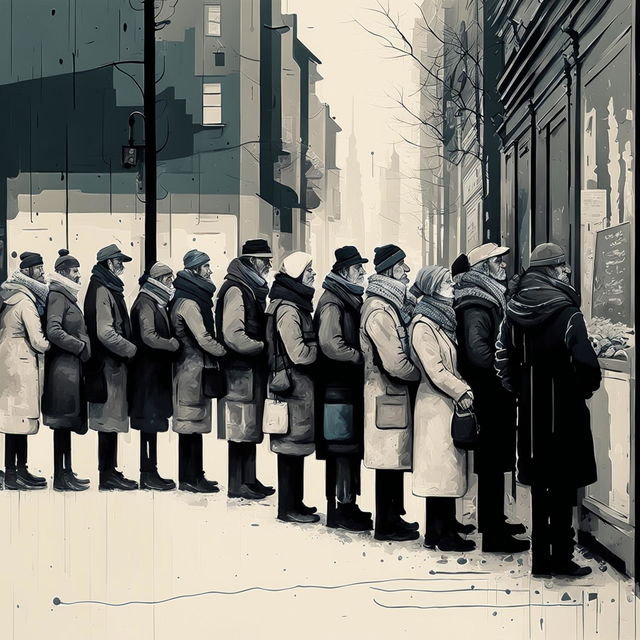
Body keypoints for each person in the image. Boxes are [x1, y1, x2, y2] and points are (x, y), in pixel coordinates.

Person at [496, 243, 601, 577]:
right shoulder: (568, 313)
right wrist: (583, 389)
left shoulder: (513, 310)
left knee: (540, 486)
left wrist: (520, 389)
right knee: (565, 486)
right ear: (555, 270)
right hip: (566, 411)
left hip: (530, 413)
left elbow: (503, 358)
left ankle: (540, 558)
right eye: (564, 266)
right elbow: (586, 363)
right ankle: (562, 556)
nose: (567, 271)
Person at [454, 243, 528, 553]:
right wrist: (506, 366)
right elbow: (478, 352)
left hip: (492, 393)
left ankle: (492, 520)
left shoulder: (487, 297)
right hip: (489, 394)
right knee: (492, 462)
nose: (502, 264)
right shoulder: (476, 304)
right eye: (497, 260)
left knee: (495, 462)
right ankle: (494, 534)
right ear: (483, 267)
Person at [409, 266, 475, 551]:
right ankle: (439, 534)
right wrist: (462, 389)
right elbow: (435, 369)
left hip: (443, 404)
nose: (451, 284)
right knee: (439, 474)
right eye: (445, 281)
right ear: (433, 287)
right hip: (435, 406)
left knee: (445, 472)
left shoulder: (440, 319)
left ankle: (444, 529)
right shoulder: (423, 324)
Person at [360, 244, 420, 541]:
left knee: (393, 460)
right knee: (387, 462)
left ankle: (394, 516)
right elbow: (395, 362)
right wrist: (419, 375)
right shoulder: (379, 309)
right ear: (391, 270)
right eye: (402, 266)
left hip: (392, 395)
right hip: (386, 394)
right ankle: (386, 524)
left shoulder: (390, 303)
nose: (407, 271)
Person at [314, 246, 372, 532]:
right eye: (359, 269)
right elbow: (330, 344)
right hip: (337, 390)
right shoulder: (333, 302)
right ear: (346, 271)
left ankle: (348, 505)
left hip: (344, 389)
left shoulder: (344, 297)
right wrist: (358, 356)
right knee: (341, 451)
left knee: (347, 450)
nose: (363, 273)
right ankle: (339, 509)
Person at [216, 239, 275, 500]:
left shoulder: (248, 287)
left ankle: (248, 479)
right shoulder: (237, 290)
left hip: (248, 372)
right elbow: (233, 334)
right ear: (252, 261)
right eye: (266, 260)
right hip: (239, 372)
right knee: (238, 430)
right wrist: (262, 347)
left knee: (249, 428)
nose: (269, 265)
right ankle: (237, 483)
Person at [265, 252, 319, 523]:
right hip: (292, 388)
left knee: (294, 449)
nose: (313, 274)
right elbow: (297, 353)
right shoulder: (288, 309)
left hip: (296, 389)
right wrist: (317, 351)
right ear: (297, 274)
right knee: (289, 449)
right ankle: (288, 508)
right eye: (309, 270)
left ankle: (295, 502)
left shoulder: (292, 304)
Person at [171, 250, 226, 493]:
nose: (210, 270)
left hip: (189, 369)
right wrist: (224, 352)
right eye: (205, 266)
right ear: (195, 270)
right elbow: (203, 337)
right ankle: (190, 478)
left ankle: (194, 475)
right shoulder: (190, 303)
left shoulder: (186, 297)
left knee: (192, 425)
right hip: (192, 370)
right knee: (191, 425)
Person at [84, 243, 138, 491]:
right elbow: (105, 332)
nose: (122, 266)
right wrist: (131, 349)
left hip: (110, 366)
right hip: (108, 367)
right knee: (107, 422)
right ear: (108, 263)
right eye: (119, 261)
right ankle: (106, 475)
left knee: (111, 422)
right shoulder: (103, 289)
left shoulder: (105, 286)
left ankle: (111, 471)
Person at [0, 251, 50, 490]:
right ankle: (15, 474)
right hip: (21, 365)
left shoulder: (12, 296)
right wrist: (53, 345)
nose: (42, 272)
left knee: (14, 422)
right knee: (18, 422)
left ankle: (18, 471)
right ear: (28, 272)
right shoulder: (26, 301)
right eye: (39, 268)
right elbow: (38, 340)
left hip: (8, 362)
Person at [43, 249, 91, 491]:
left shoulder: (66, 295)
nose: (78, 275)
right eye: (74, 271)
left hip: (70, 370)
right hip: (62, 372)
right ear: (63, 273)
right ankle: (60, 477)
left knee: (67, 424)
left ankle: (67, 472)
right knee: (61, 426)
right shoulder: (58, 296)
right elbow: (53, 330)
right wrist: (80, 346)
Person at [129, 261, 180, 491]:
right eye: (168, 279)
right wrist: (171, 344)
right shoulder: (146, 302)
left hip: (154, 374)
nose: (171, 283)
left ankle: (151, 470)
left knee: (153, 423)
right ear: (158, 280)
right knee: (148, 424)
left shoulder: (155, 301)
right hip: (146, 374)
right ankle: (147, 473)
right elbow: (148, 335)